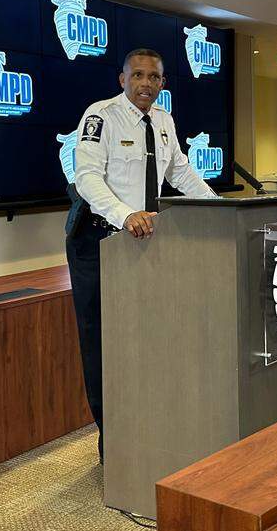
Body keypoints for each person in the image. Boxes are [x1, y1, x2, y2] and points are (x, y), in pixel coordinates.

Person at [65, 48, 217, 463]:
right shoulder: (101, 117)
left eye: (154, 76)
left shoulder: (164, 121)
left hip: (144, 243)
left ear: (163, 83)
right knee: (103, 346)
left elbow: (181, 171)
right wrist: (124, 213)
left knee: (144, 341)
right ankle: (111, 447)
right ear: (122, 79)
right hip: (98, 244)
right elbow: (87, 178)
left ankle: (145, 434)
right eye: (138, 76)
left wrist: (220, 206)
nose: (145, 83)